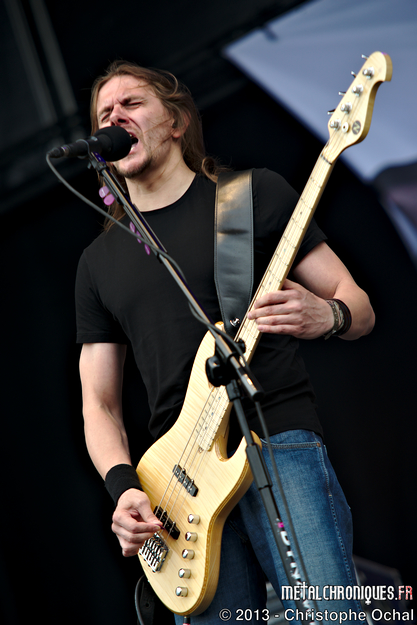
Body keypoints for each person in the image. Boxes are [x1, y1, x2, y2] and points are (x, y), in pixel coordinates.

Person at [75, 60, 375, 624]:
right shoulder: (98, 263)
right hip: (179, 485)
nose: (115, 118)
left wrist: (327, 314)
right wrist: (123, 487)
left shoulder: (249, 196)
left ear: (176, 121)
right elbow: (99, 403)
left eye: (131, 104)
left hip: (276, 440)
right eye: (104, 114)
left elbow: (358, 305)